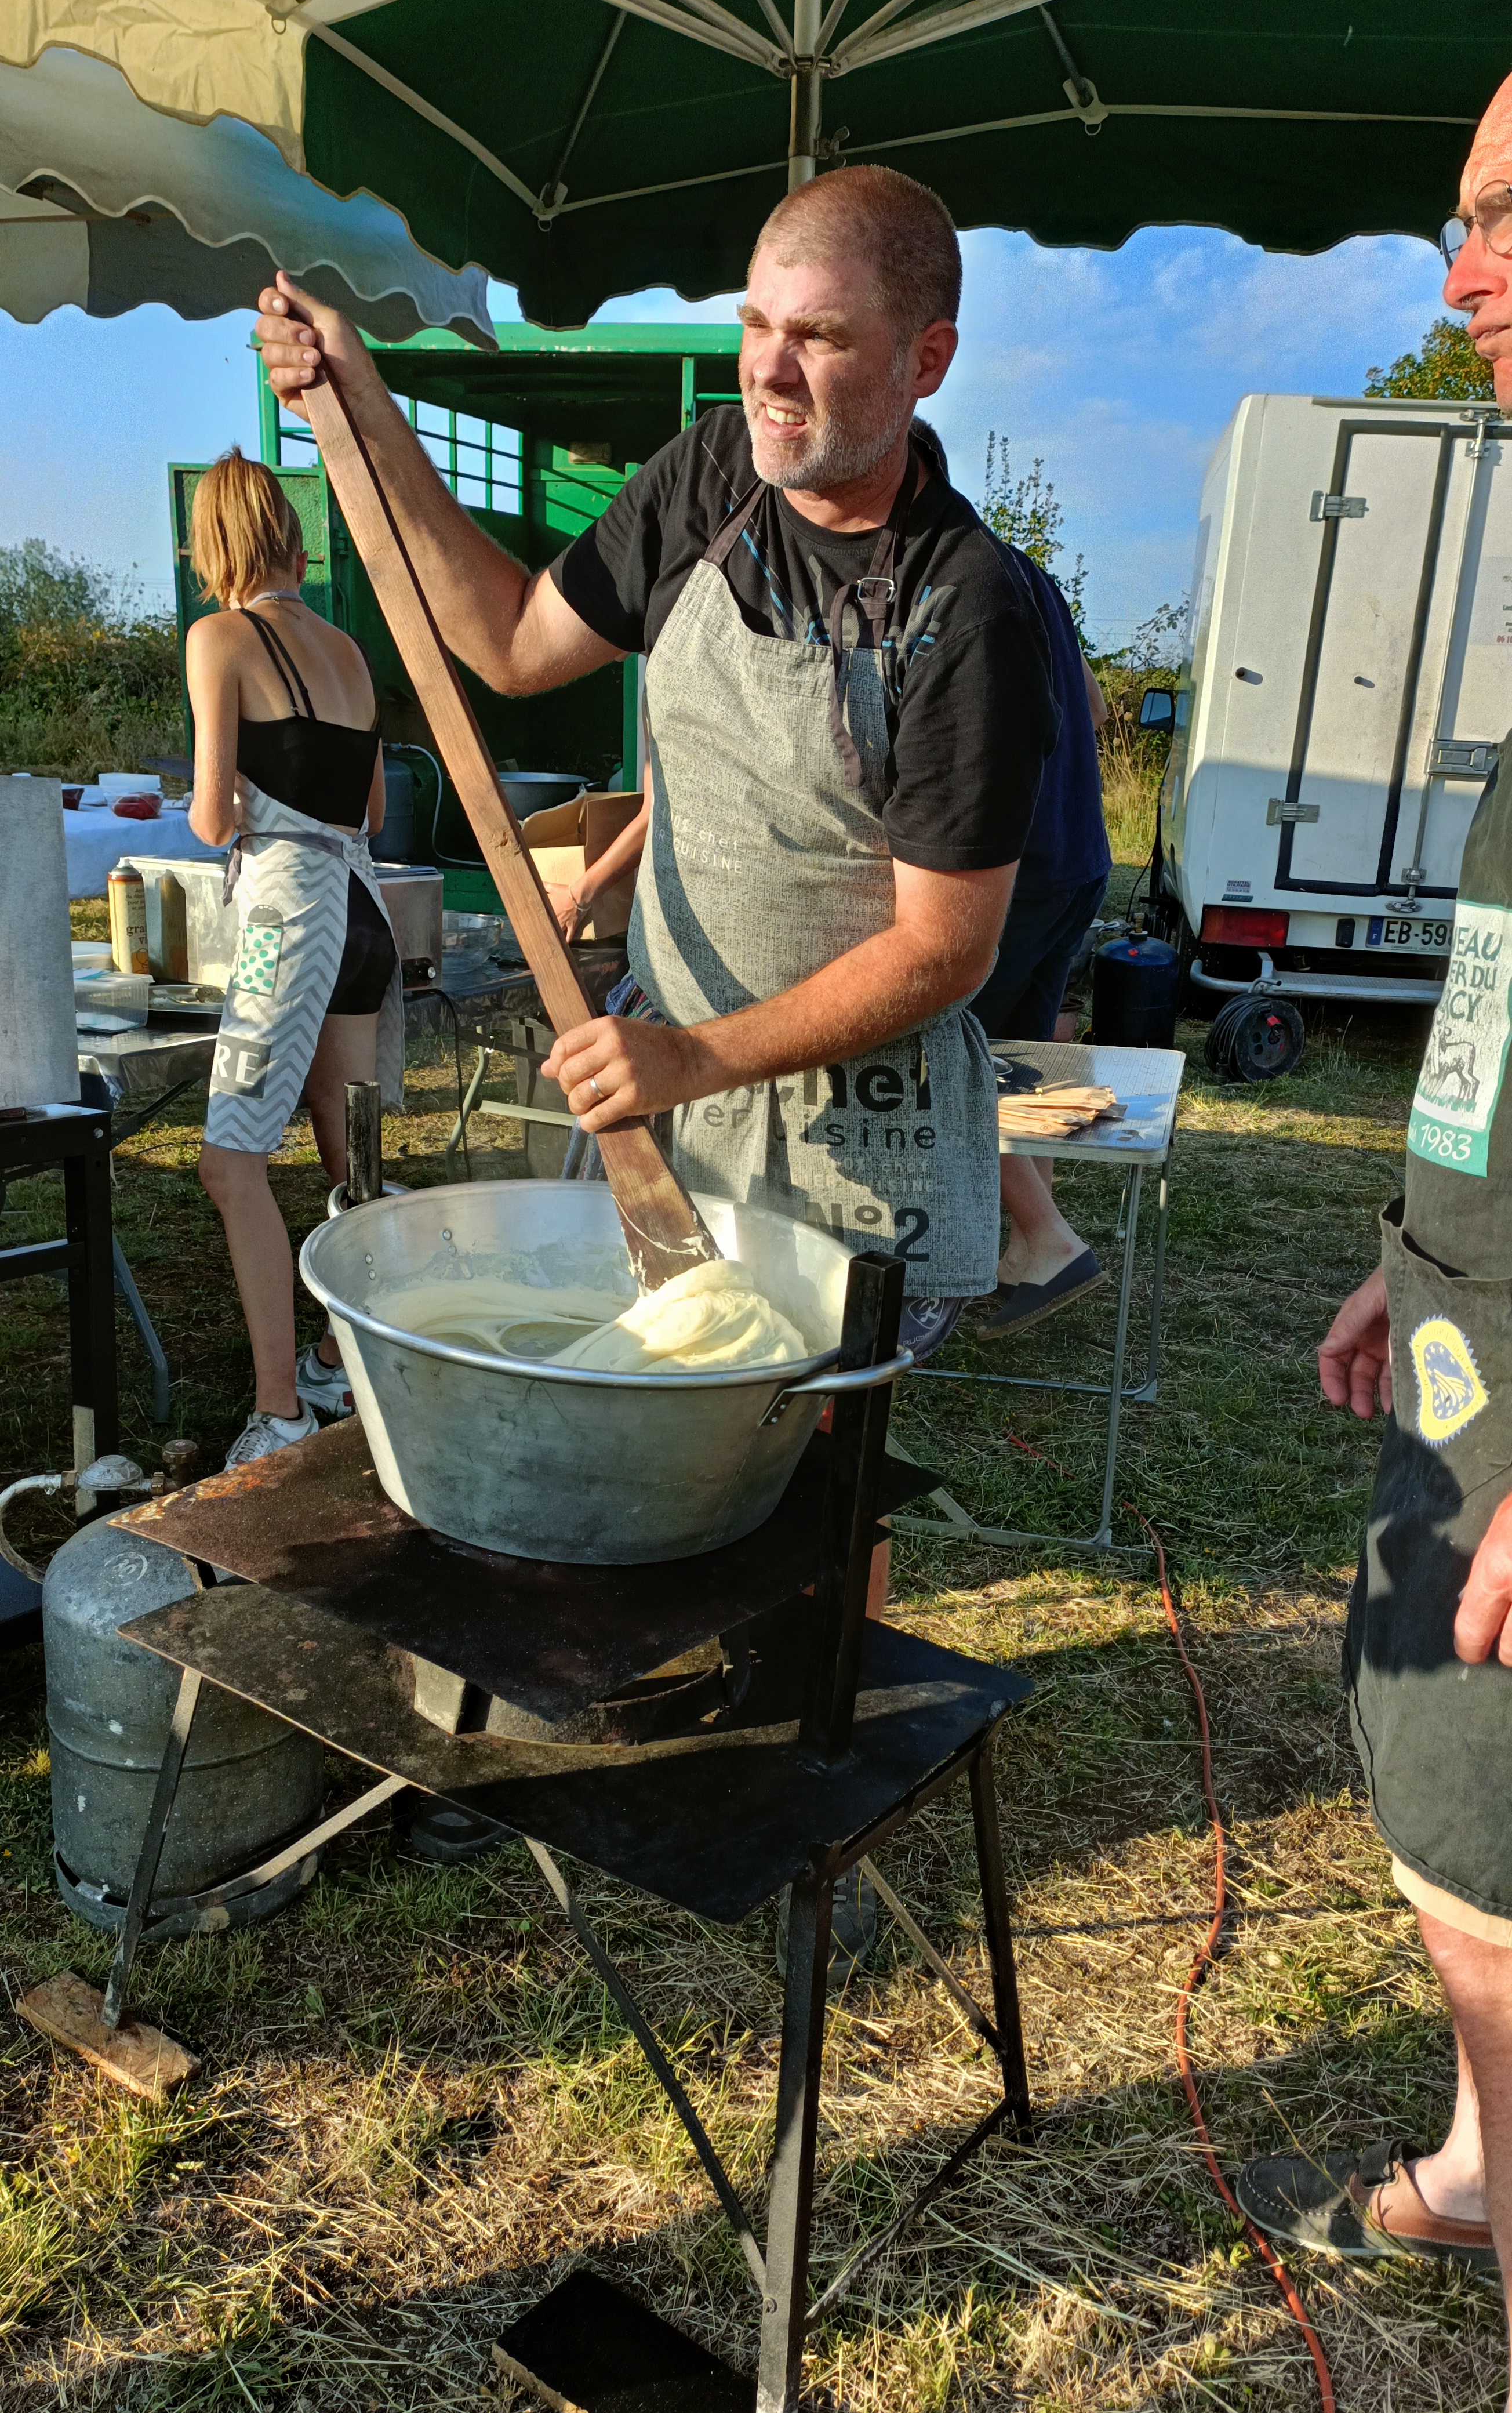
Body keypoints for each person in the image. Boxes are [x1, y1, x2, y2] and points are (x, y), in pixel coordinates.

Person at [255, 165, 1057, 1378]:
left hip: (856, 1139)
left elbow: (945, 948)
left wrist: (695, 1059)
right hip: (663, 1106)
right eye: (756, 323)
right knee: (641, 1413)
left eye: (821, 337)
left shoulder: (965, 611)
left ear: (924, 360)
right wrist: (365, 410)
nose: (769, 370)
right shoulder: (708, 480)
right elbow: (512, 641)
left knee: (795, 1449)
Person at [1234, 70, 1512, 2413]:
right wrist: (1414, 1238)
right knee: (1449, 1838)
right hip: (1459, 1323)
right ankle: (1478, 2165)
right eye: (1457, 219)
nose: (1459, 277)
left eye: (1511, 217)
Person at [186, 451, 401, 1469]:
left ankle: (279, 1413)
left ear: (211, 546)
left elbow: (210, 815)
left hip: (289, 919)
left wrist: (238, 806)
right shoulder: (349, 650)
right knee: (351, 1147)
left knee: (230, 1165)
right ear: (291, 536)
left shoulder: (219, 638)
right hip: (363, 906)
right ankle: (339, 1357)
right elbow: (375, 810)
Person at [971, 555, 1111, 1337]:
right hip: (1078, 857)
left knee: (940, 1055)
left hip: (1013, 865)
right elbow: (1093, 707)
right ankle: (1030, 1251)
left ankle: (1048, 1241)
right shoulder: (1032, 575)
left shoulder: (945, 574)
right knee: (1025, 1064)